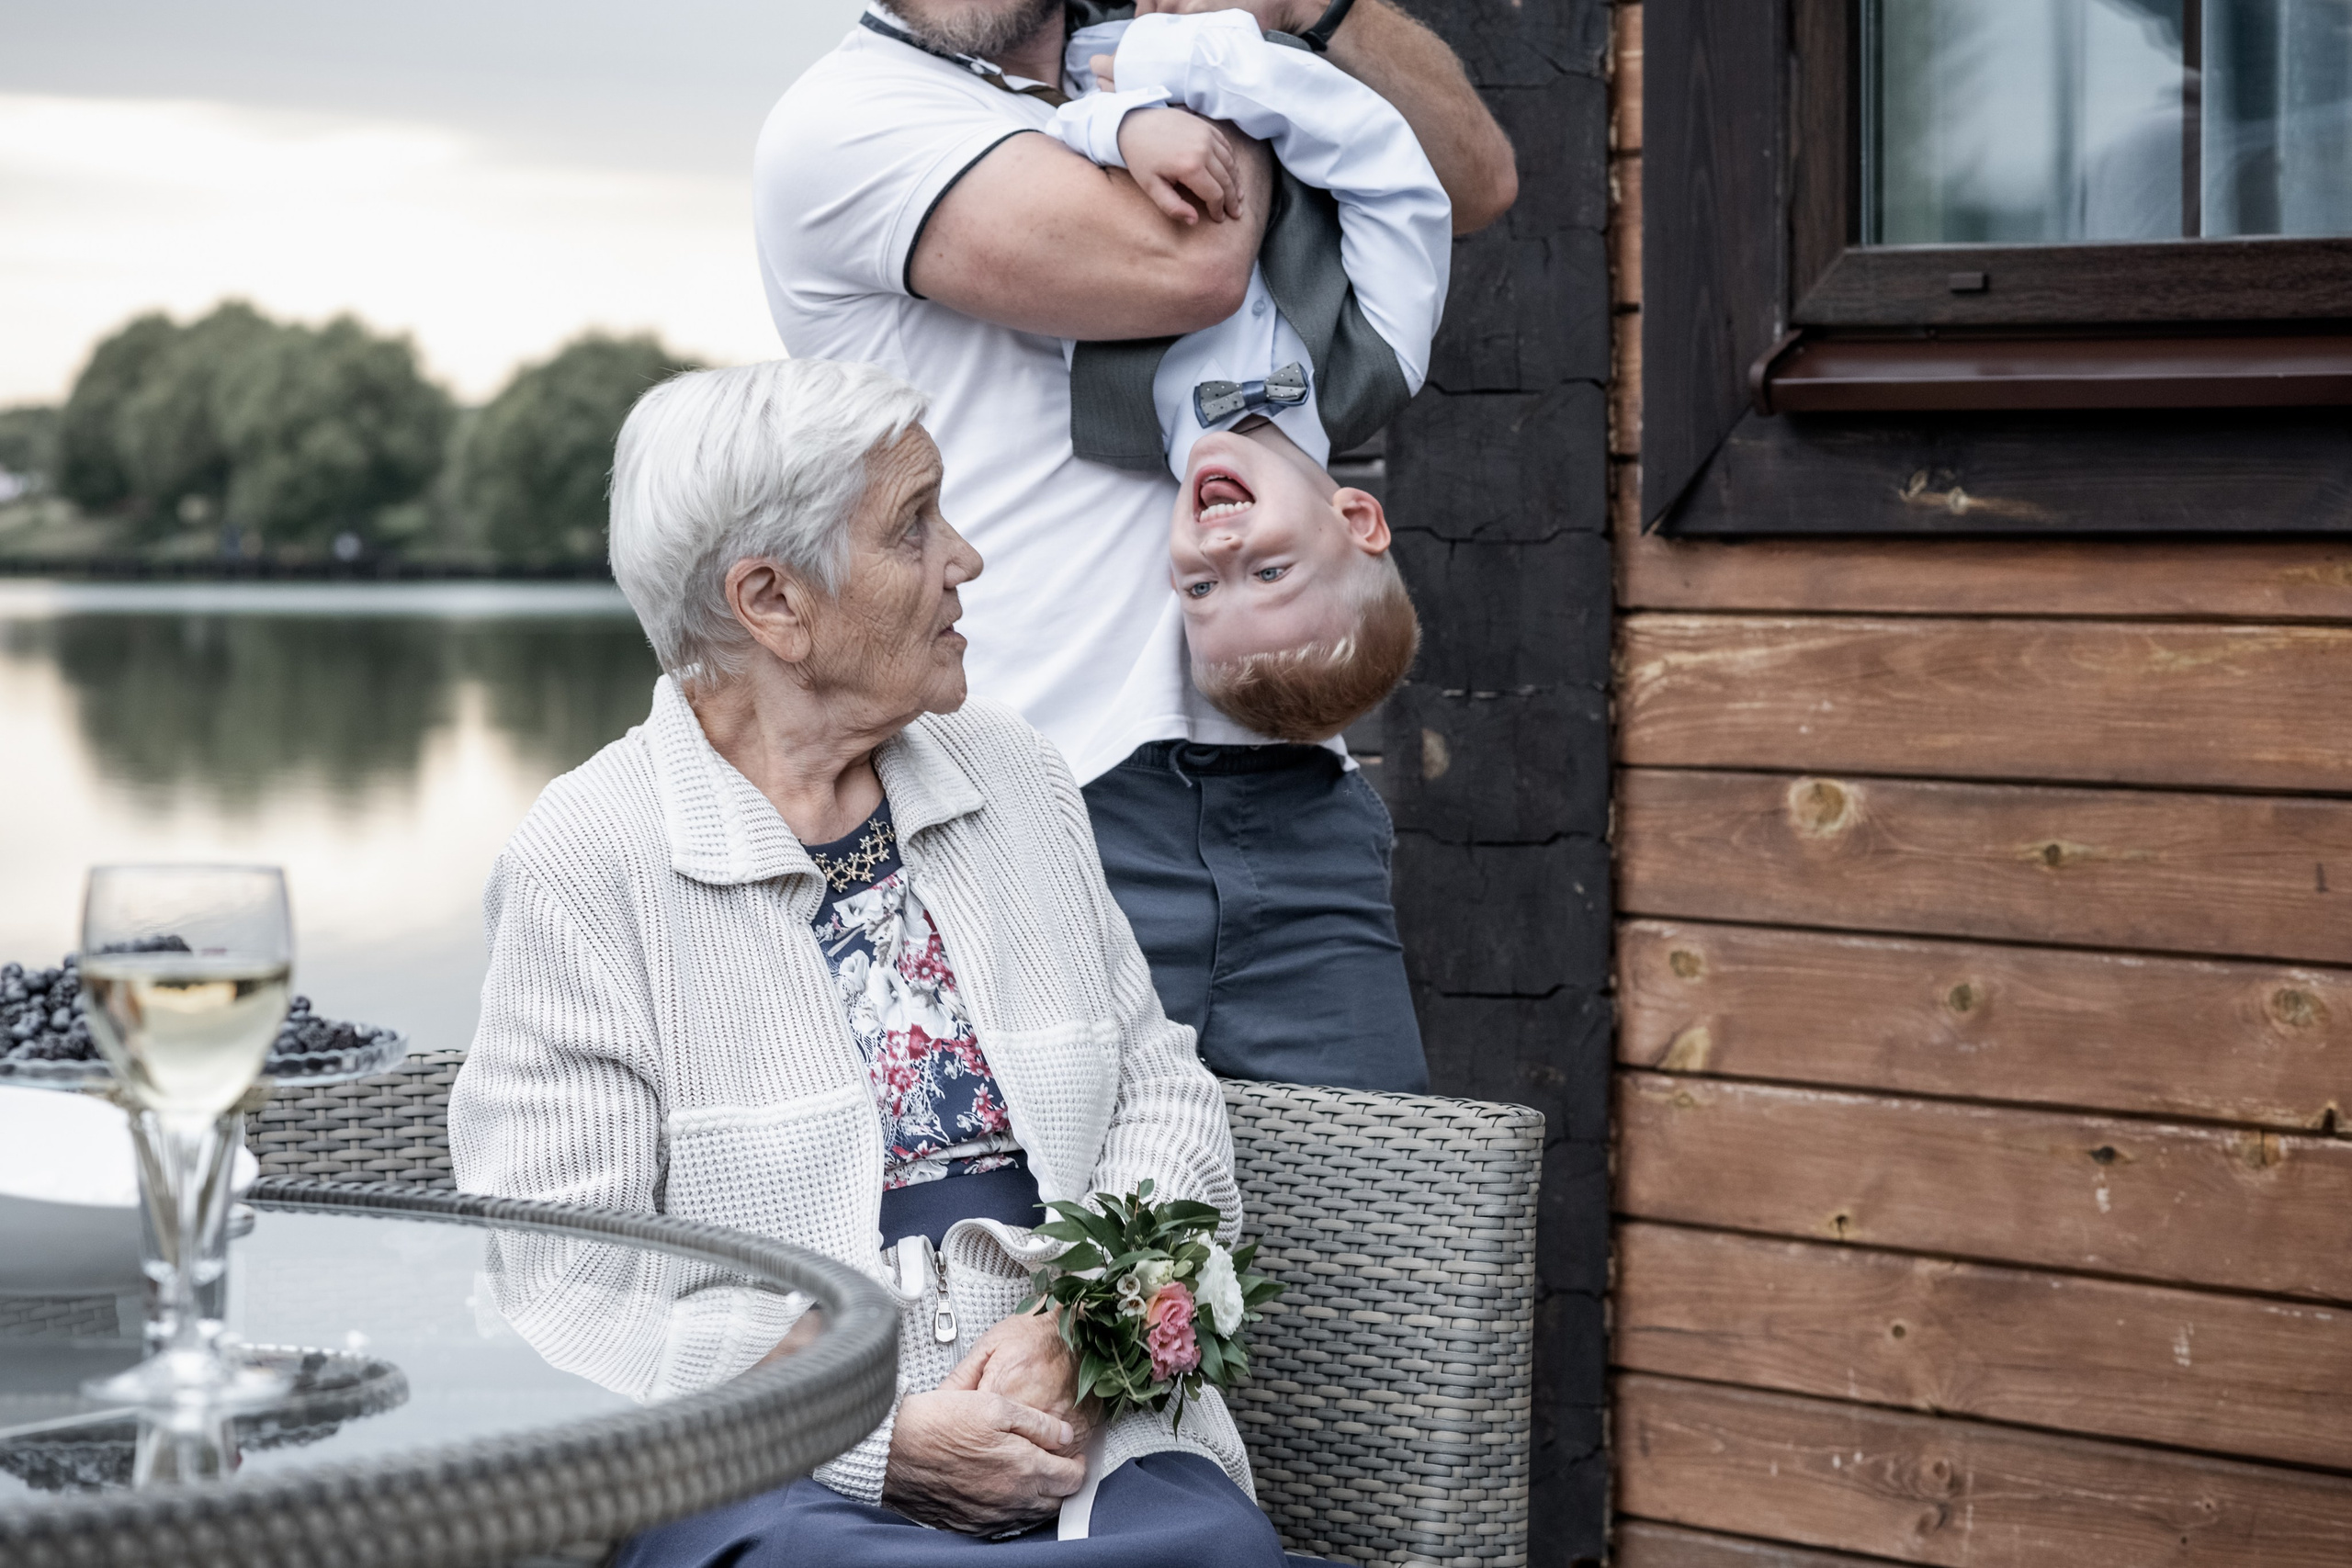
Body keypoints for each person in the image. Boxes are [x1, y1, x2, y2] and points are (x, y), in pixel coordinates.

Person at [449, 357, 1307, 1562]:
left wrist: (1087, 1333)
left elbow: (1162, 1102)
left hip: (1083, 1443)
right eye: (915, 523)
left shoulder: (1014, 776)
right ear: (773, 601)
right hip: (760, 1470)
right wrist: (878, 1437)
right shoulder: (590, 862)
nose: (966, 557)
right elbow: (569, 1295)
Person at [753, 0, 1518, 1095]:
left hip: (1293, 787)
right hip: (1042, 807)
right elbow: (1191, 265)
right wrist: (1212, 69)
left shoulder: (1147, 56)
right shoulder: (850, 118)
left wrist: (1304, 13)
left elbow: (1471, 180)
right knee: (1065, 1254)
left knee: (1362, 1244)